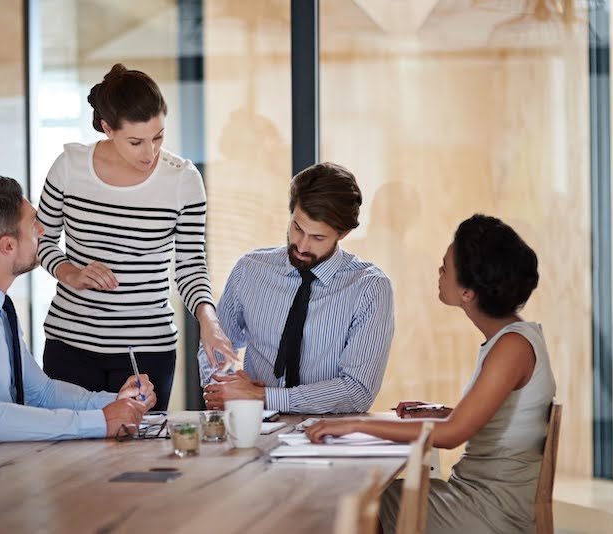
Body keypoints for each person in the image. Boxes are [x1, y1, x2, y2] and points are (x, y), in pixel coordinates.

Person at [306, 214, 556, 533]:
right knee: (362, 496)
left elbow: (452, 436)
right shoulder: (516, 338)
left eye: (445, 268)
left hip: (488, 510)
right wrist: (442, 413)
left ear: (468, 293)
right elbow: (498, 418)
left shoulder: (511, 349)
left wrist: (356, 423)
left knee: (352, 503)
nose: (439, 274)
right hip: (479, 496)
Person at [0, 177, 155, 477]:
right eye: (33, 223)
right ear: (8, 245)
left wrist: (115, 401)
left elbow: (42, 392)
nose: (42, 230)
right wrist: (99, 421)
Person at [37, 63, 236, 411]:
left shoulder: (183, 181)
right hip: (69, 345)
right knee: (69, 456)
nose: (150, 153)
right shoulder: (69, 167)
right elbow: (41, 240)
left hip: (146, 351)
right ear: (107, 128)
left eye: (158, 137)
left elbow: (190, 266)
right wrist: (70, 272)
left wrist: (209, 320)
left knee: (139, 456)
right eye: (136, 141)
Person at [199, 162, 395, 414]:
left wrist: (264, 396)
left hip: (329, 436)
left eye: (318, 238)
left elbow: (357, 391)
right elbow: (216, 348)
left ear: (343, 234)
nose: (301, 246)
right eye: (297, 228)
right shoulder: (250, 270)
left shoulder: (369, 288)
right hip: (252, 426)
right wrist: (227, 388)